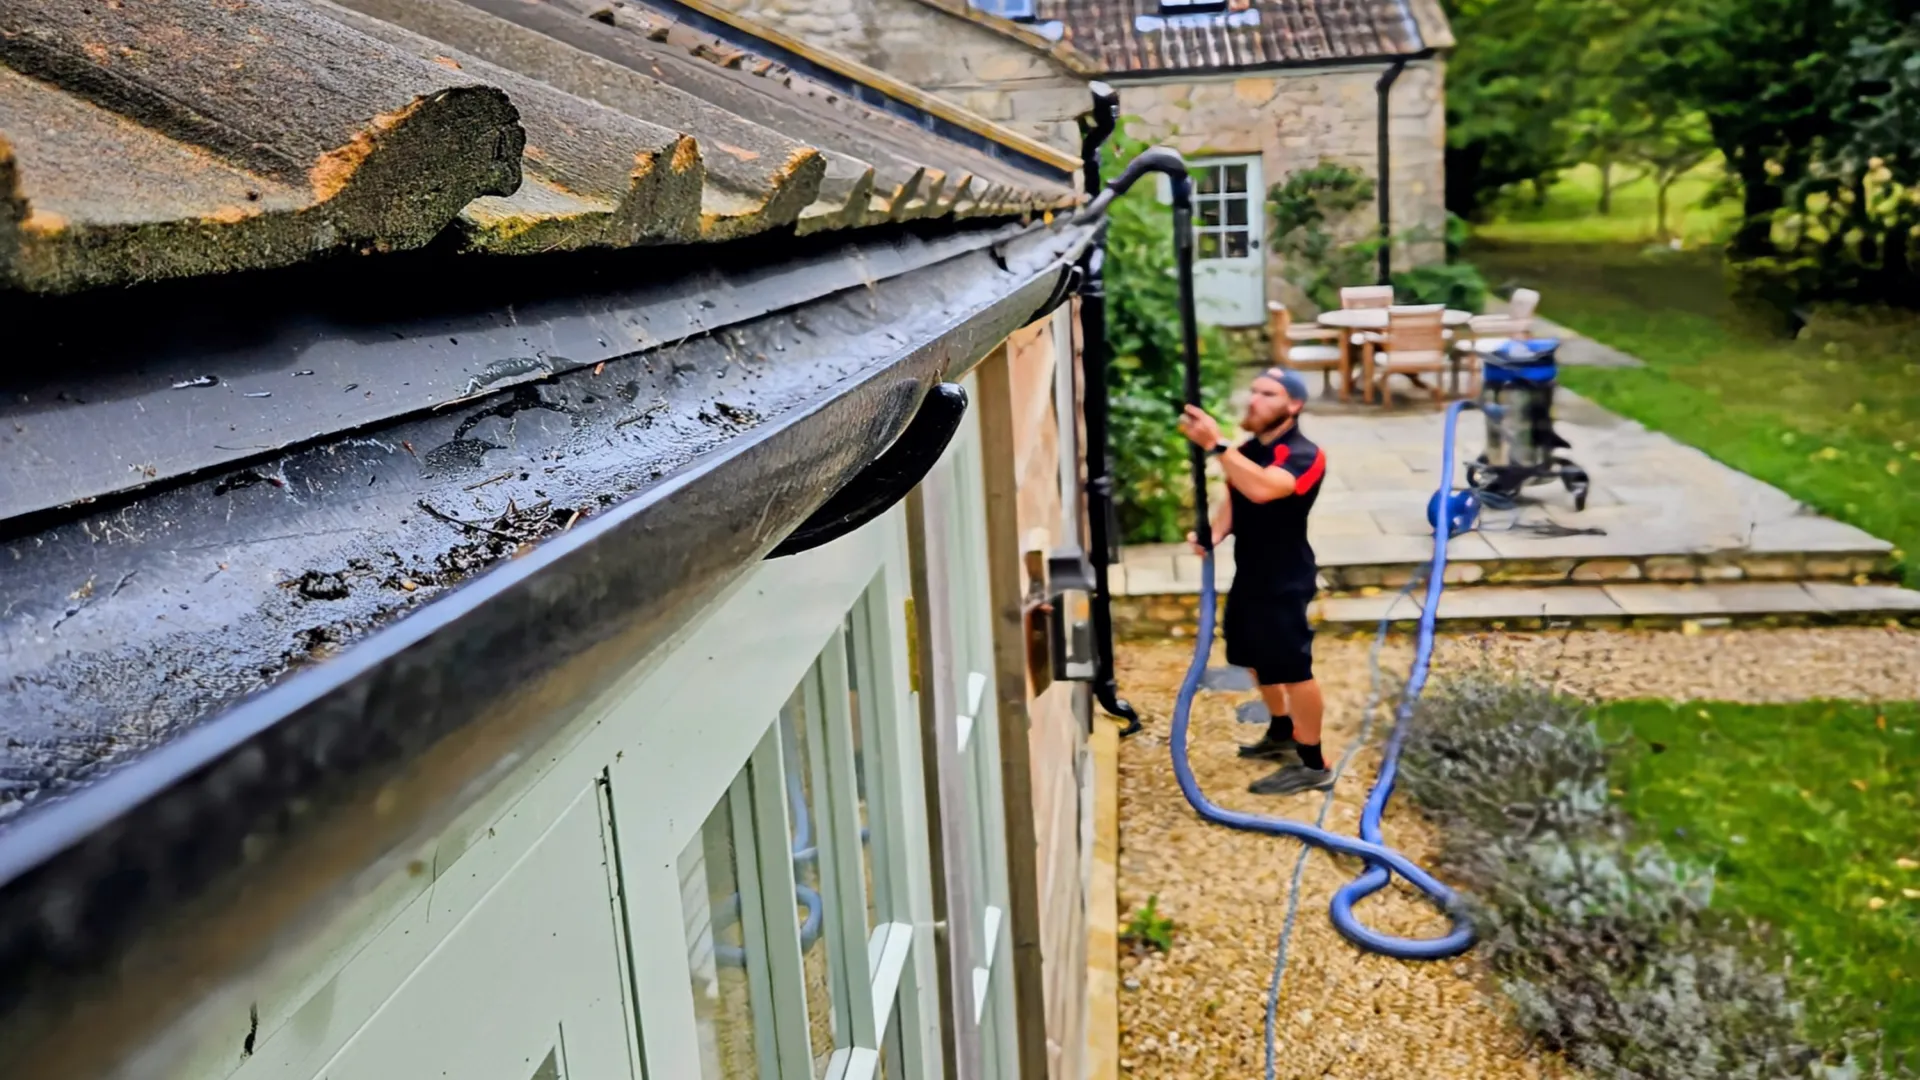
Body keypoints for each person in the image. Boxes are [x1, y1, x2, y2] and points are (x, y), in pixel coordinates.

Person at [1176, 367, 1331, 796]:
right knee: (1252, 656)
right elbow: (1236, 495)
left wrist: (1216, 445)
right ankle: (1280, 731)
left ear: (1293, 406)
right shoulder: (1247, 450)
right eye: (1254, 391)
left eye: (1269, 393)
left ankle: (1314, 763)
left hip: (1286, 577)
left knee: (1292, 668)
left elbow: (1264, 489)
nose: (1255, 399)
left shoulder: (1302, 453)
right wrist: (1214, 533)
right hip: (1251, 573)